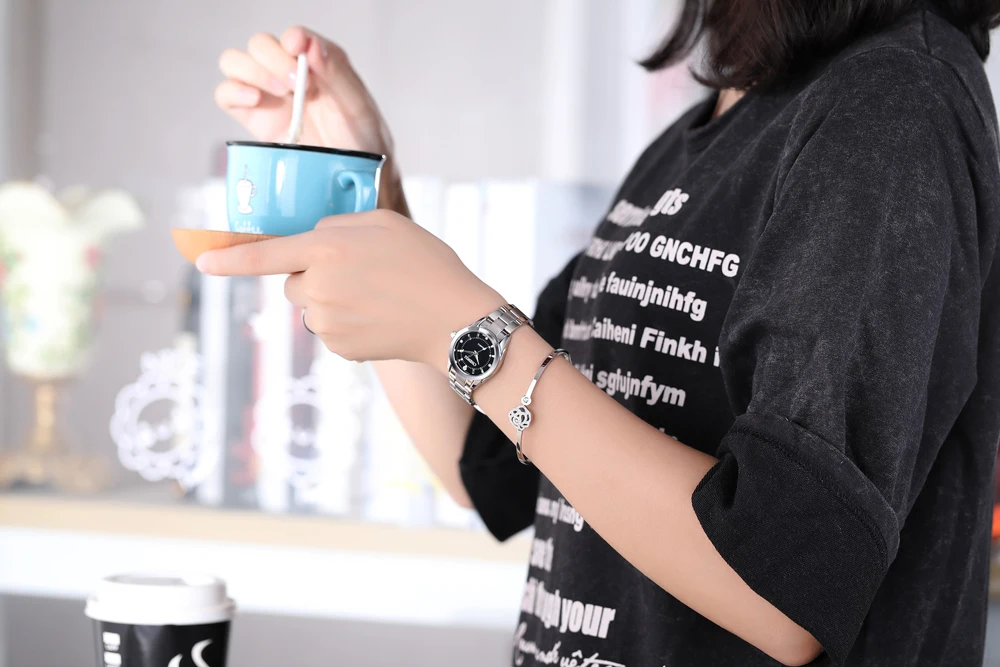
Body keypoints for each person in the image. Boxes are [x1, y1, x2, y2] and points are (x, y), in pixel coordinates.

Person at [208, 1, 1000, 664]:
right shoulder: (728, 118)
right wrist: (370, 203)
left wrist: (466, 329)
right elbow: (490, 463)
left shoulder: (892, 101)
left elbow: (786, 587)